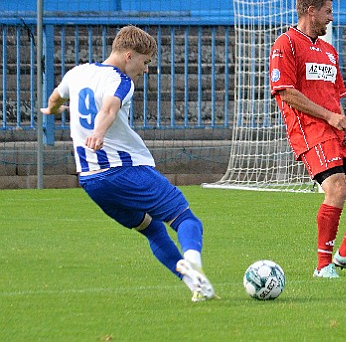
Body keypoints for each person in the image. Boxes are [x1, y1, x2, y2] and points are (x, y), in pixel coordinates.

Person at [41, 25, 216, 302]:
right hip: (122, 171)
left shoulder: (78, 73)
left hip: (90, 180)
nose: (145, 70)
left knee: (153, 229)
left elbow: (54, 98)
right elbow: (109, 109)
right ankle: (193, 265)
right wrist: (98, 132)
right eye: (145, 63)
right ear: (129, 55)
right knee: (185, 218)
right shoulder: (120, 81)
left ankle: (195, 285)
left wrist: (51, 110)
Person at [270, 0, 346, 278]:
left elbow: (334, 96)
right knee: (336, 188)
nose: (331, 18)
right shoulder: (286, 44)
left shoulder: (329, 51)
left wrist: (343, 123)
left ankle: (345, 254)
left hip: (336, 129)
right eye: (327, 12)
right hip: (310, 131)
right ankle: (323, 266)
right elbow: (286, 93)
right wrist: (331, 118)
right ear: (311, 11)